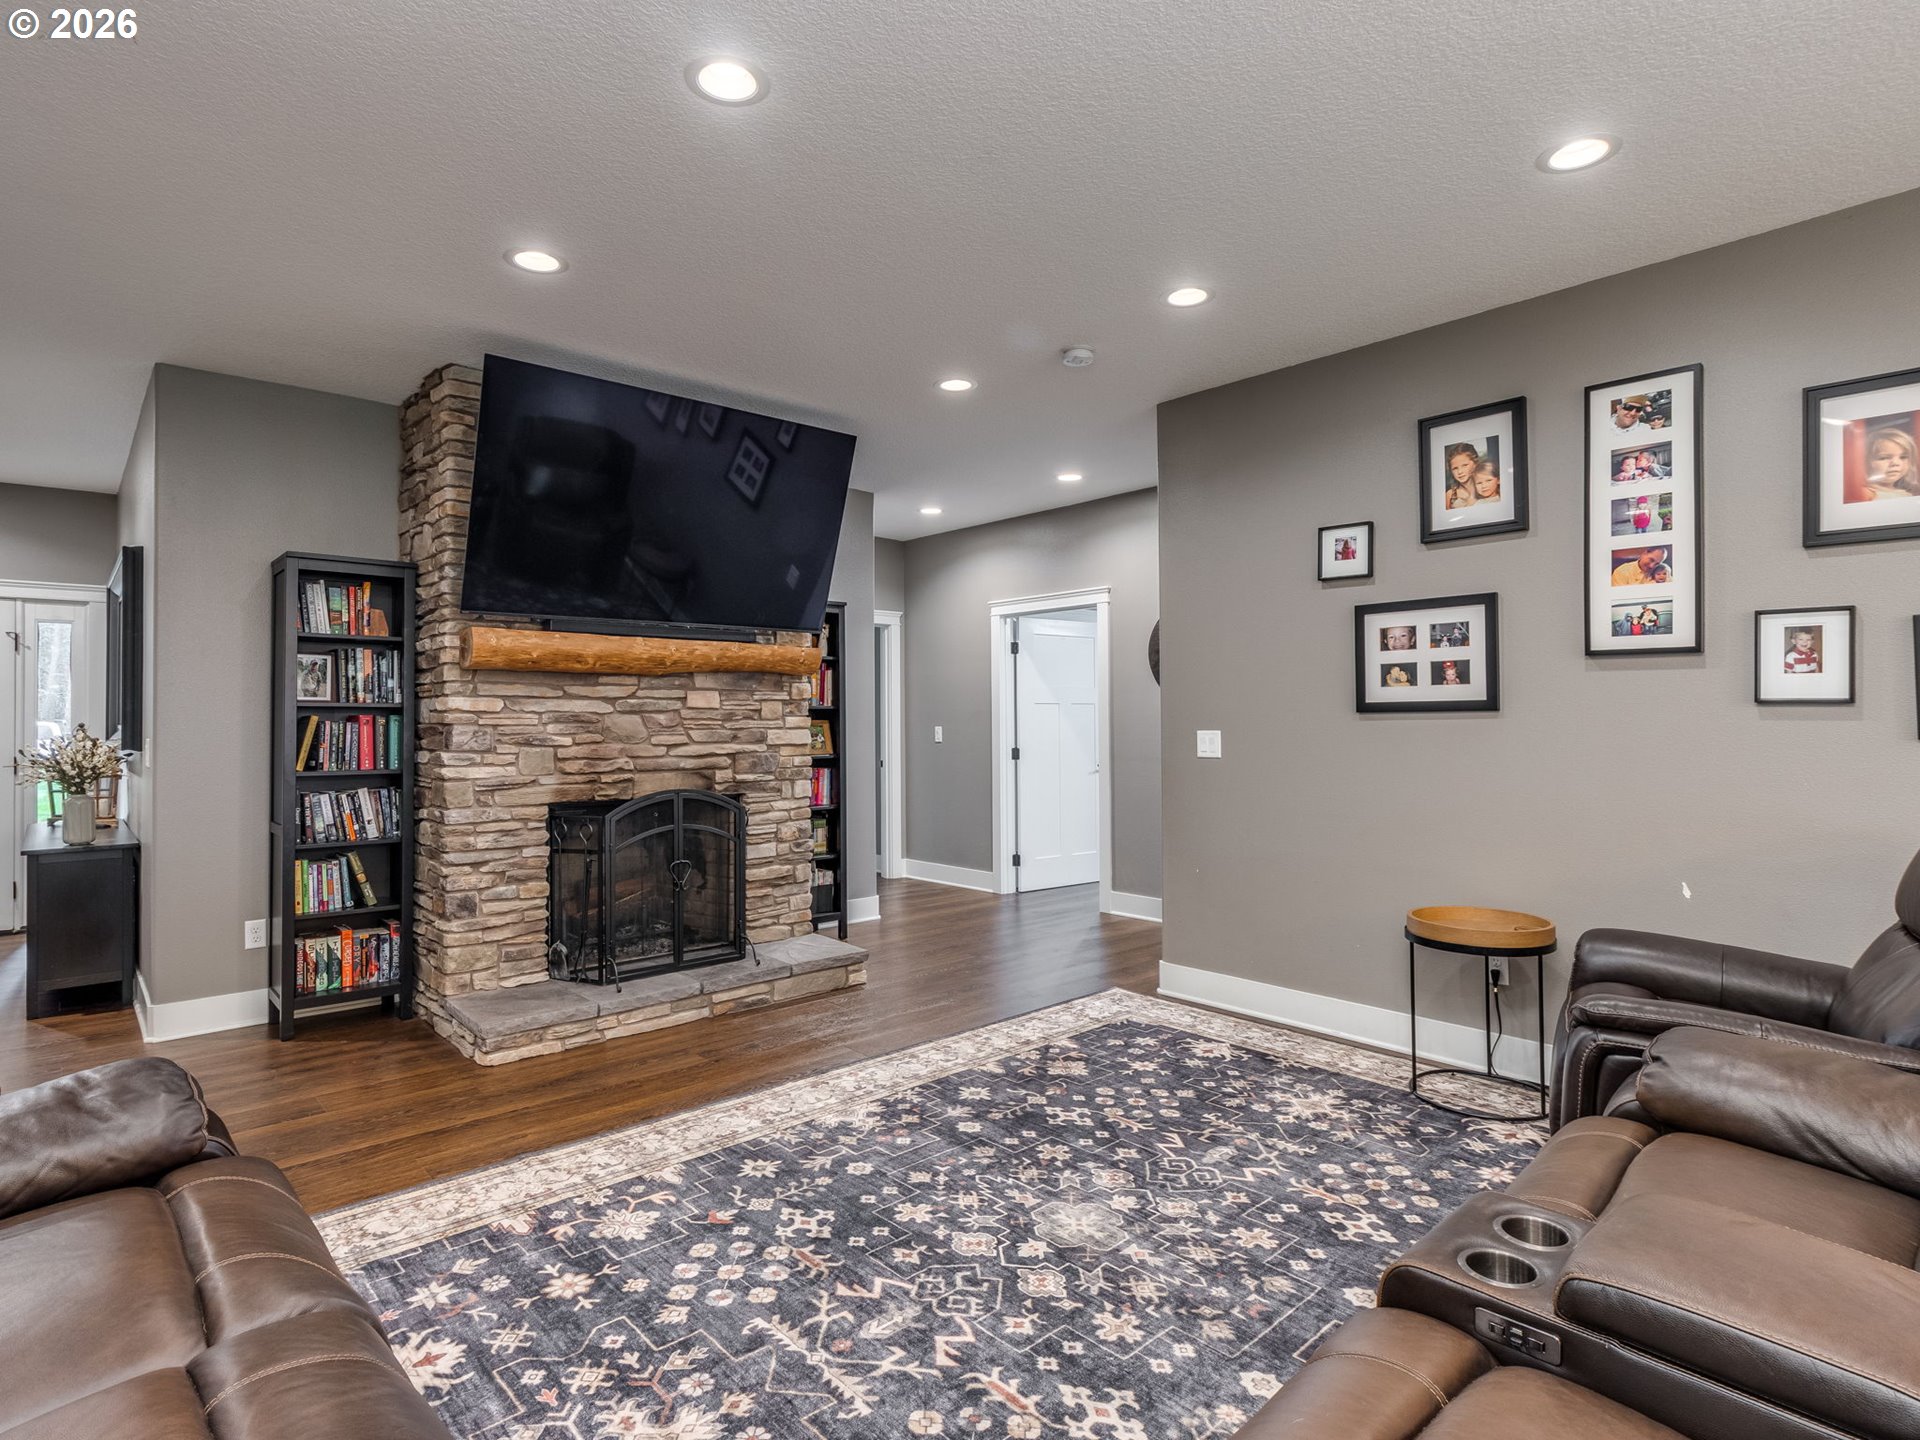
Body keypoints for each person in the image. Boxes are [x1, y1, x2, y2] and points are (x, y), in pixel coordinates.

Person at [1864, 427, 1920, 500]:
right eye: (1884, 458)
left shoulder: (1906, 494)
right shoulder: (1866, 493)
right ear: (1865, 462)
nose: (1896, 463)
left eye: (1903, 457)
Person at [1443, 443, 1480, 508]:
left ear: (1475, 464)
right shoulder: (1450, 495)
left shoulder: (1486, 488)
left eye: (1465, 465)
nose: (1460, 472)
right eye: (1455, 468)